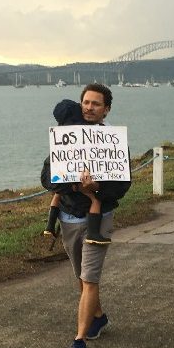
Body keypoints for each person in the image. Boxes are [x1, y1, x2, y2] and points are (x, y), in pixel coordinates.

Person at [40, 84, 131, 348]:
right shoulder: (66, 137)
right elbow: (47, 177)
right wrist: (77, 187)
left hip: (98, 219)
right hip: (68, 217)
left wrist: (97, 189)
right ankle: (99, 317)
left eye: (96, 104)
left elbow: (122, 186)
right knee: (82, 278)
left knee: (89, 279)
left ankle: (79, 340)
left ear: (107, 109)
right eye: (86, 102)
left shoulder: (113, 141)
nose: (90, 107)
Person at [44, 99, 110, 245]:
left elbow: (48, 178)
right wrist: (78, 186)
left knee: (57, 194)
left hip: (65, 179)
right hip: (83, 181)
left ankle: (49, 225)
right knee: (95, 199)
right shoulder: (88, 132)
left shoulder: (60, 135)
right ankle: (93, 233)